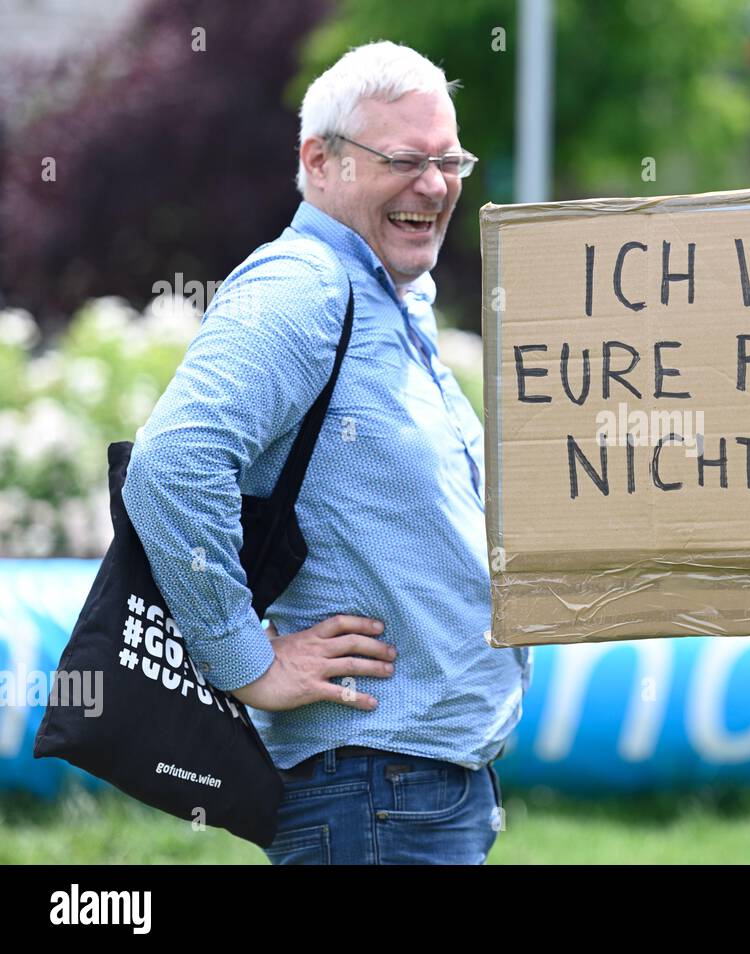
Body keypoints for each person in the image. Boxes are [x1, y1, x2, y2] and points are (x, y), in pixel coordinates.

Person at [122, 41, 529, 864]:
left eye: (449, 160)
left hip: (412, 795)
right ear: (321, 161)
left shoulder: (388, 297)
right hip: (374, 798)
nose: (437, 185)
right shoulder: (304, 285)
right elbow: (172, 462)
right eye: (406, 160)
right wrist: (244, 657)